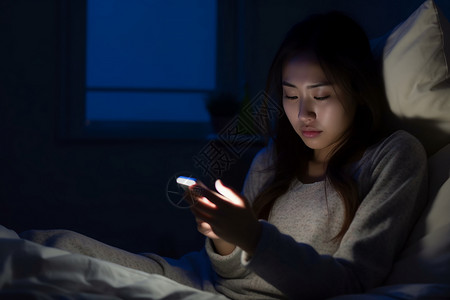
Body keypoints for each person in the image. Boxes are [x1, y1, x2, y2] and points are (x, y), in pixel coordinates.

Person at [21, 11, 427, 299]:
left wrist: (250, 236)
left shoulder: (393, 156)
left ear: (357, 90)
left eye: (321, 95)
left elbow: (352, 284)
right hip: (203, 279)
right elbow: (228, 275)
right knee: (58, 246)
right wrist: (224, 241)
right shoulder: (273, 158)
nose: (303, 113)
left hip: (231, 292)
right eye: (289, 95)